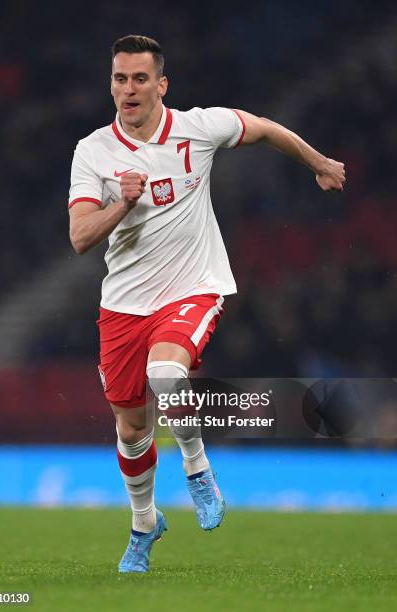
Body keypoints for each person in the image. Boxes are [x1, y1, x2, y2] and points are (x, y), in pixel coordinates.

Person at [68, 35, 346, 573]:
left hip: (195, 286)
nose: (129, 89)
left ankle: (197, 469)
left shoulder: (198, 128)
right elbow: (80, 237)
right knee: (131, 429)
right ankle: (144, 523)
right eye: (120, 78)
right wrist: (122, 203)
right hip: (124, 305)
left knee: (166, 373)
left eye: (140, 78)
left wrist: (319, 162)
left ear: (161, 85)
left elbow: (265, 129)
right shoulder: (93, 151)